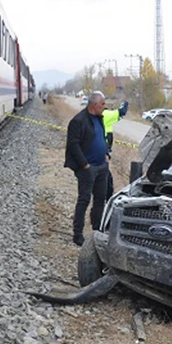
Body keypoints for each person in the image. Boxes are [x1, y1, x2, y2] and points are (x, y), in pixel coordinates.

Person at [64, 92, 110, 246]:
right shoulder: (78, 121)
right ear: (94, 104)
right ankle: (77, 234)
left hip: (102, 167)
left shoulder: (99, 118)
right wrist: (84, 165)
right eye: (102, 104)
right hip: (87, 169)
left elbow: (101, 138)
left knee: (100, 200)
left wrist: (106, 154)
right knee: (84, 200)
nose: (105, 107)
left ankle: (97, 231)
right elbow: (73, 145)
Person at [101, 100, 129, 198]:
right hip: (103, 151)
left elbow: (118, 117)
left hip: (99, 150)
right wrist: (125, 103)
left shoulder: (94, 116)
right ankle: (106, 200)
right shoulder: (106, 114)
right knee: (106, 180)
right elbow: (122, 112)